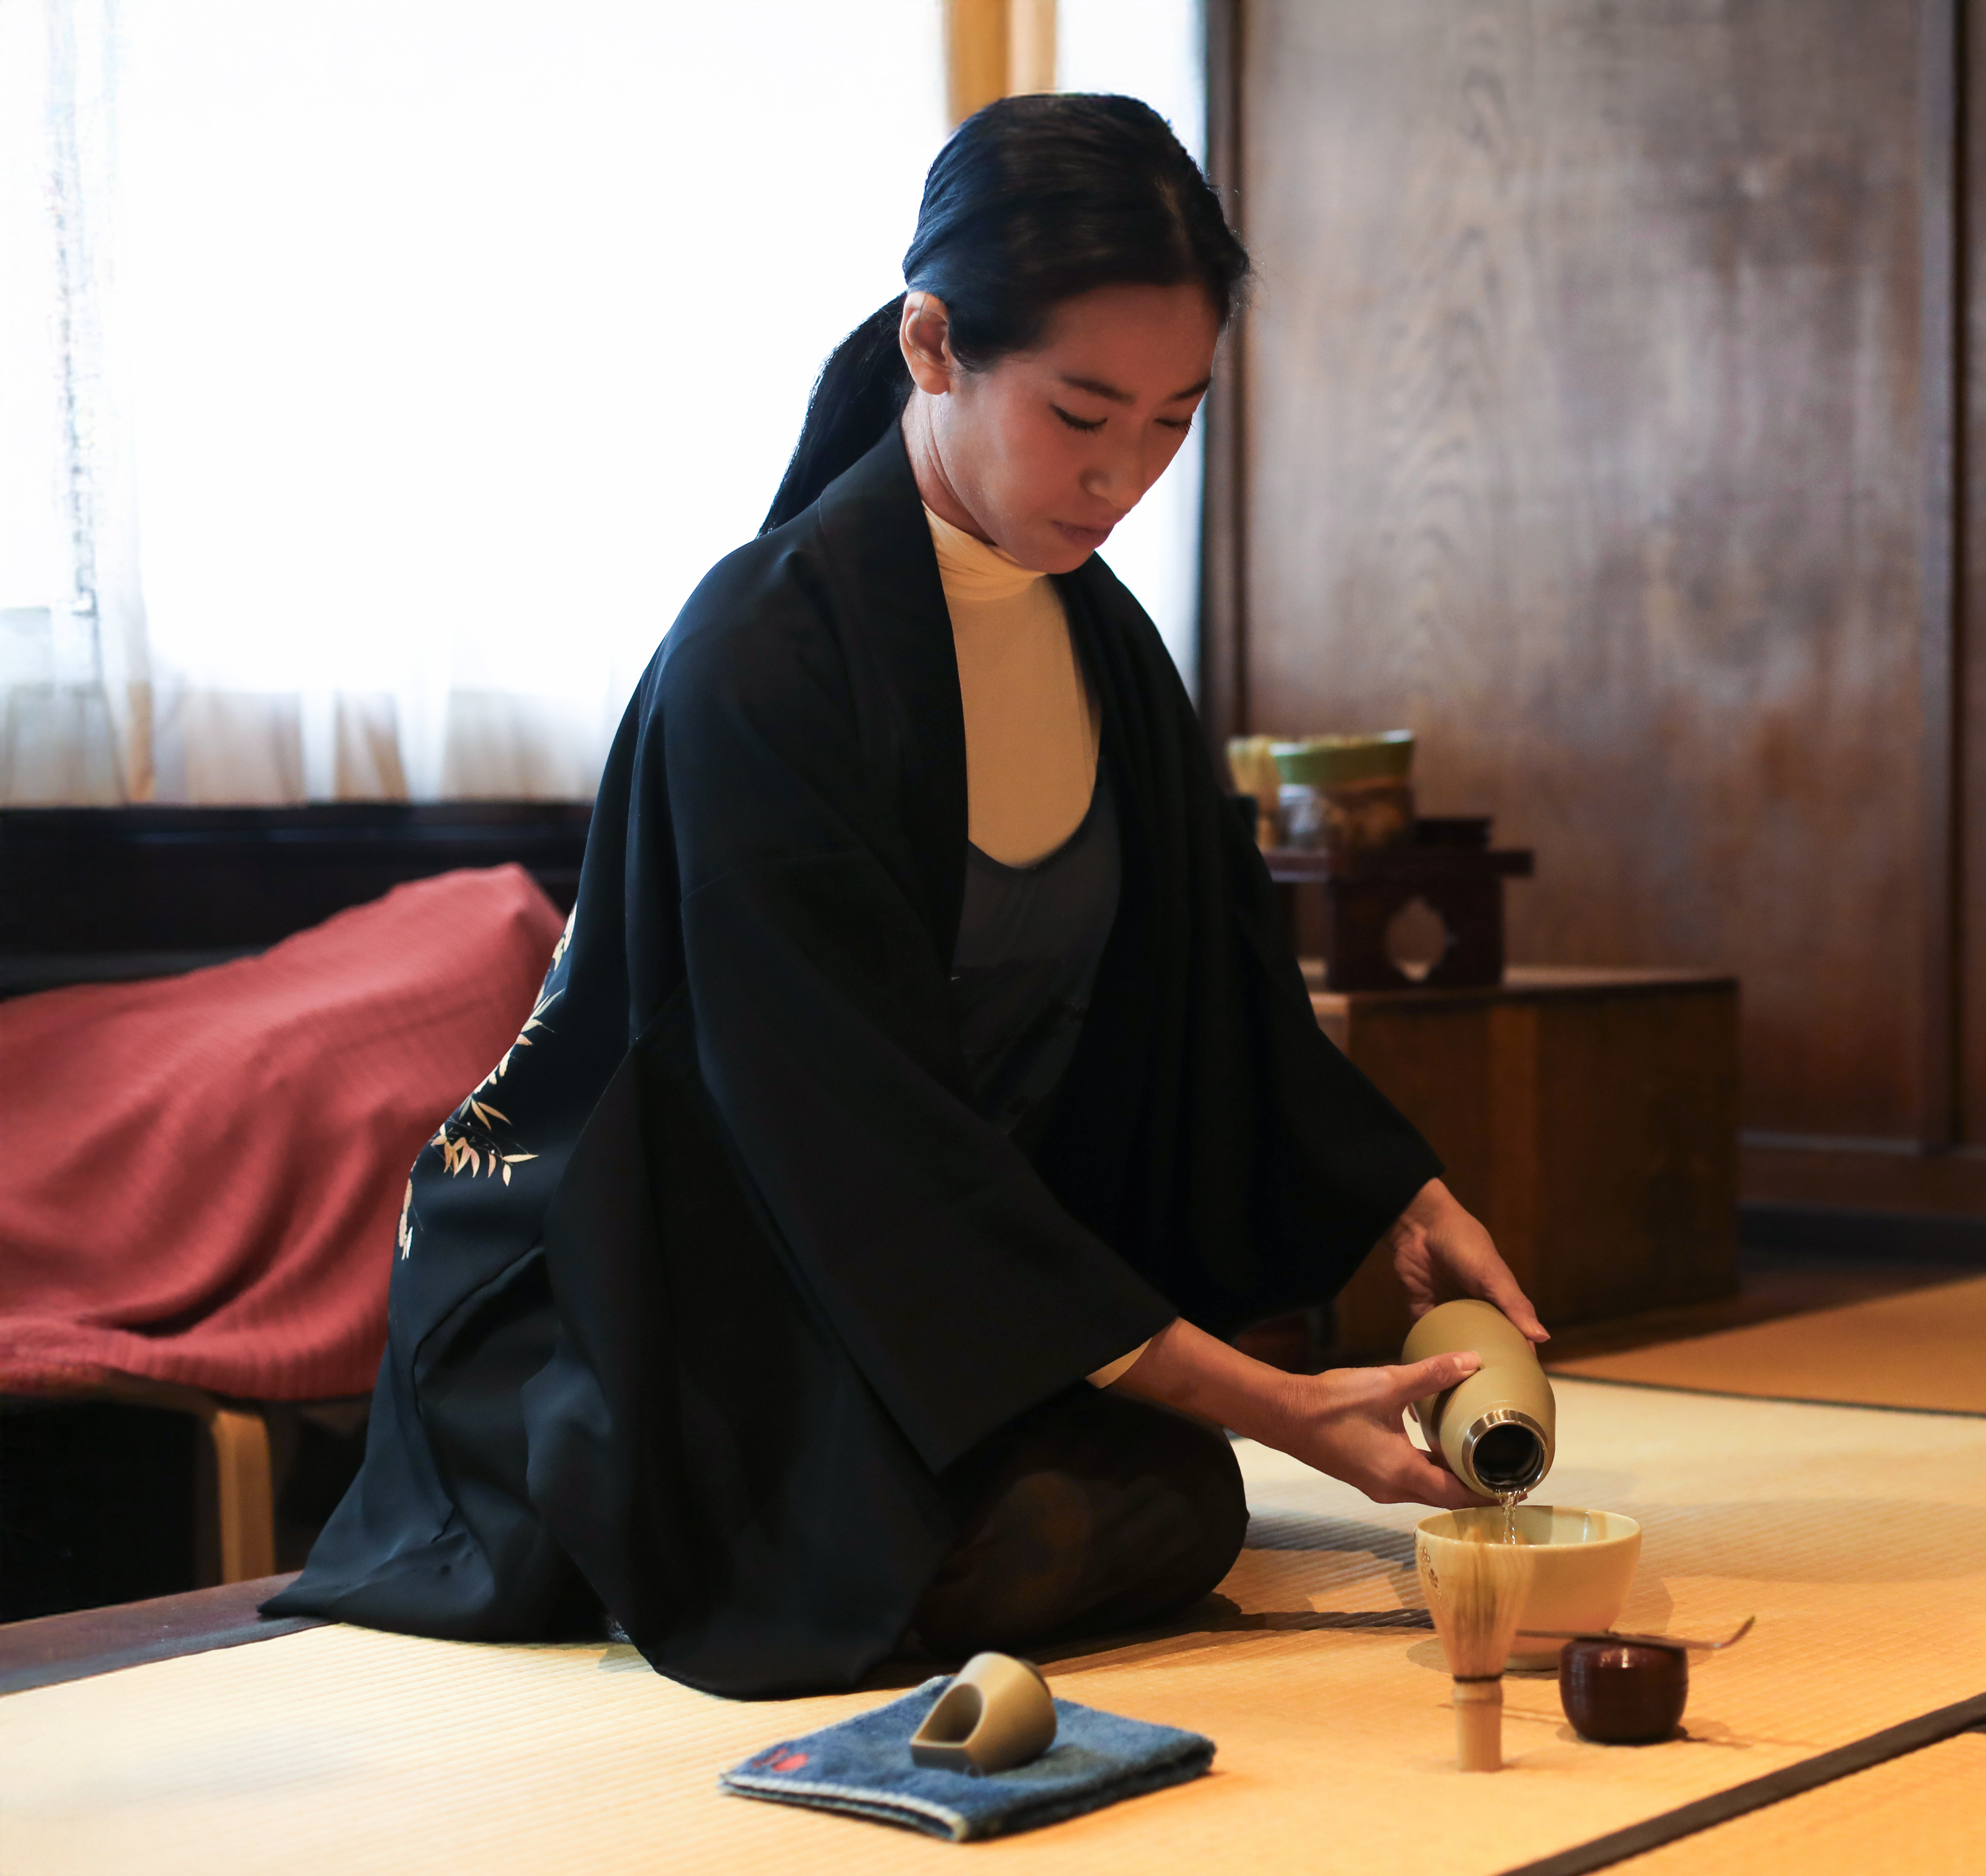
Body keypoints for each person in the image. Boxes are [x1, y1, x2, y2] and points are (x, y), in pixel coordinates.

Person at [269, 94, 1544, 1699]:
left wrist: (1399, 1195)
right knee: (1088, 1506)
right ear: (932, 344)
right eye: (1080, 412)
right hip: (685, 1290)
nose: (1123, 476)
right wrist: (1274, 1404)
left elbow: (1218, 994)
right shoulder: (763, 655)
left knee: (1153, 1496)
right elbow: (839, 1122)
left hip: (904, 1272)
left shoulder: (1104, 640)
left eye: (1172, 421)